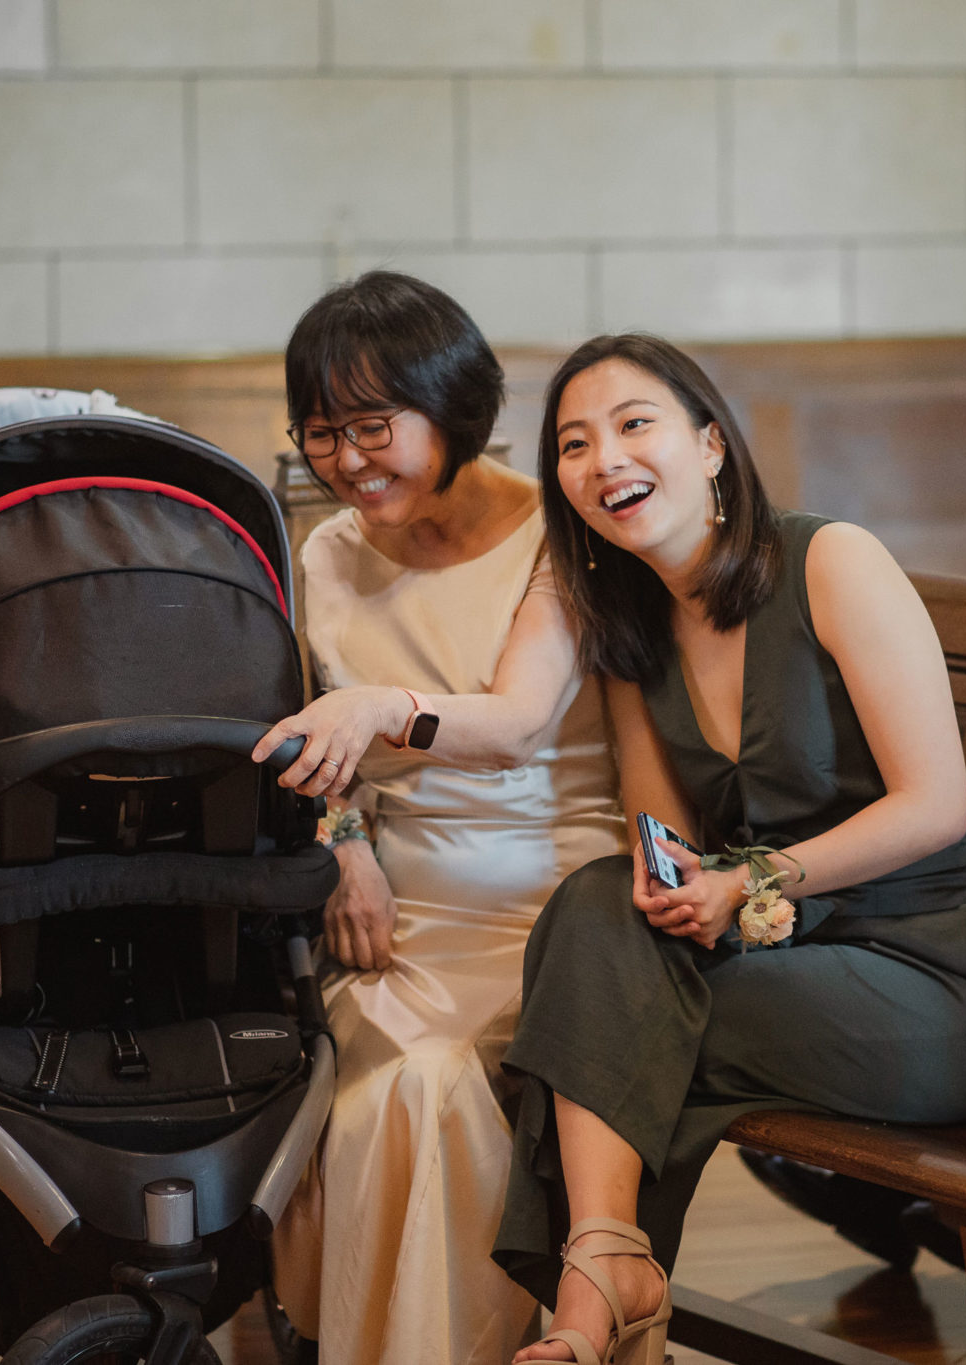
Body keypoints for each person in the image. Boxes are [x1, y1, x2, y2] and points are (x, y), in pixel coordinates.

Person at [489, 334, 966, 1365]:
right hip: (778, 965)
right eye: (572, 443)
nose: (603, 459)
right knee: (597, 905)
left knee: (593, 1018)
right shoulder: (632, 632)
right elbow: (667, 851)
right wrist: (686, 888)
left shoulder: (831, 562)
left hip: (926, 972)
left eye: (631, 424)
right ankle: (606, 1263)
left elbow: (932, 804)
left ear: (708, 446)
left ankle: (591, 1295)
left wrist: (754, 881)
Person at [253, 272, 624, 1365]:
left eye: (374, 427)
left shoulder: (556, 534)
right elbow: (315, 747)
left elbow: (512, 725)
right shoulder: (325, 553)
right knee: (358, 1096)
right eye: (321, 433)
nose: (347, 462)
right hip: (393, 909)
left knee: (431, 1090)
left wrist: (376, 708)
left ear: (452, 410)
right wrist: (345, 846)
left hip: (547, 903)